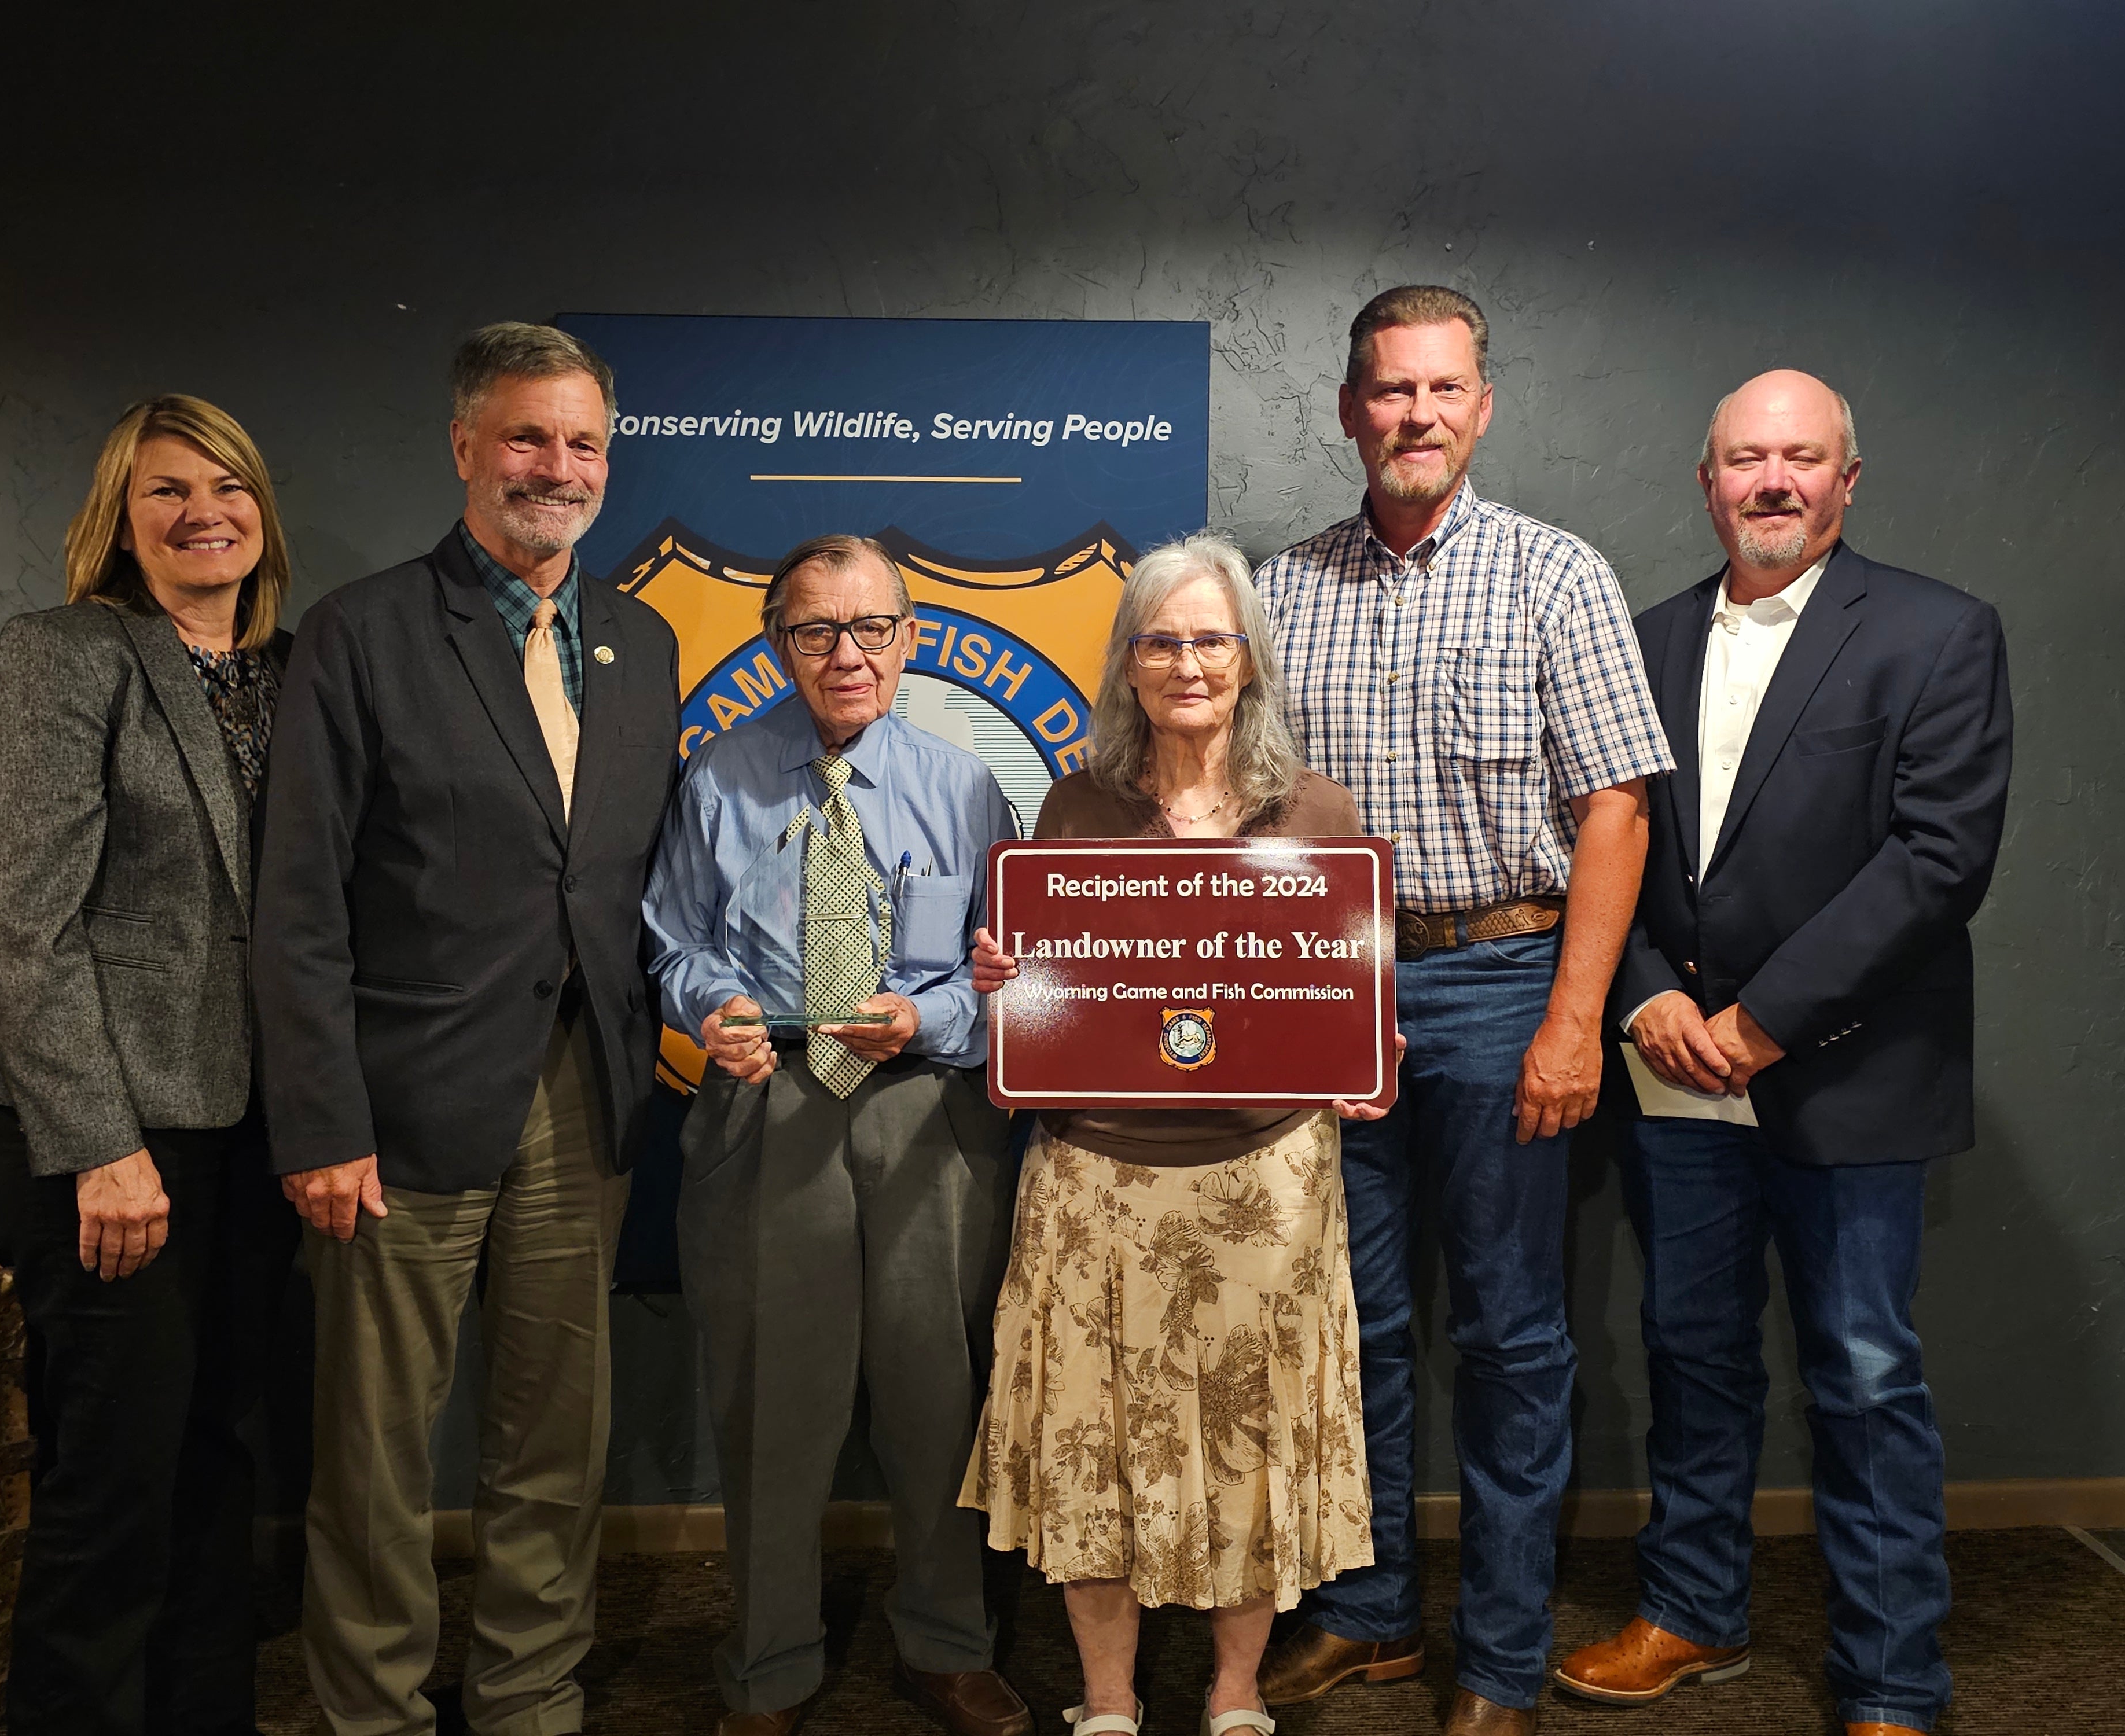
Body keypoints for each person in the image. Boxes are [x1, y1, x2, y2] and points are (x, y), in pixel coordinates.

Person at [1553, 372, 2012, 1736]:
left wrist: (1759, 1024)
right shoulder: (1636, 639)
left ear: (1846, 480)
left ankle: (1888, 1680)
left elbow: (1937, 861)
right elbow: (1602, 842)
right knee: (1691, 1351)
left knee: (1861, 1371)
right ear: (1705, 481)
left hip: (1845, 1066)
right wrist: (1640, 999)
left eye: (1800, 460)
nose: (1771, 482)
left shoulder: (1937, 633)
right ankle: (1692, 1616)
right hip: (1671, 1065)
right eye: (1744, 459)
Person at [1249, 285, 1674, 1735]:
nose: (1413, 416)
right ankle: (1367, 1617)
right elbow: (1239, 817)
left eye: (1440, 390)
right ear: (1349, 407)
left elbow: (1611, 815)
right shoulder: (1281, 587)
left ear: (1480, 406)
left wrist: (1572, 1022)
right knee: (1350, 1322)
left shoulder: (1557, 575)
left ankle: (1494, 1655)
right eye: (1387, 391)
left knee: (1508, 1335)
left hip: (1507, 981)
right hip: (1331, 989)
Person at [251, 322, 681, 1735]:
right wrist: (319, 1124)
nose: (556, 469)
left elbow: (617, 882)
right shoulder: (361, 634)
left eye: (582, 445)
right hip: (397, 1113)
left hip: (582, 1097)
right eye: (526, 438)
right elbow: (300, 905)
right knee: (375, 1452)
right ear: (462, 448)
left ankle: (527, 1697)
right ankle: (370, 1708)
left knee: (555, 1439)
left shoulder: (642, 639)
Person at [962, 532, 1396, 1736]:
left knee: (1248, 1437)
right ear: (1128, 665)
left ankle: (1234, 1688)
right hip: (1095, 1172)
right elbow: (1042, 986)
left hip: (1265, 1178)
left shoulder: (1314, 810)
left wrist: (1365, 1053)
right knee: (1092, 1437)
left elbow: (1344, 992)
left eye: (1210, 639)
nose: (1187, 662)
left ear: (1247, 660)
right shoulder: (1073, 804)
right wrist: (1009, 977)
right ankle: (1105, 1698)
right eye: (1161, 641)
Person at [644, 534, 1027, 1736]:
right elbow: (670, 941)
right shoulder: (716, 779)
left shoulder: (965, 786)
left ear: (909, 640)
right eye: (816, 631)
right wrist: (711, 1008)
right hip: (766, 1114)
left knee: (937, 1394)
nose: (846, 655)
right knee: (771, 1407)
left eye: (871, 629)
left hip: (926, 1120)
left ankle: (947, 1642)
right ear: (777, 646)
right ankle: (767, 1666)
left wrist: (934, 1013)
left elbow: (1005, 976)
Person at [0, 394, 299, 1735]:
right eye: (166, 490)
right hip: (100, 1139)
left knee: (221, 1460)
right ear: (118, 519)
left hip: (246, 1128)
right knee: (113, 1481)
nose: (203, 509)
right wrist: (105, 1147)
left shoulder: (282, 675)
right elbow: (24, 928)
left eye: (228, 484)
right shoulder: (62, 657)